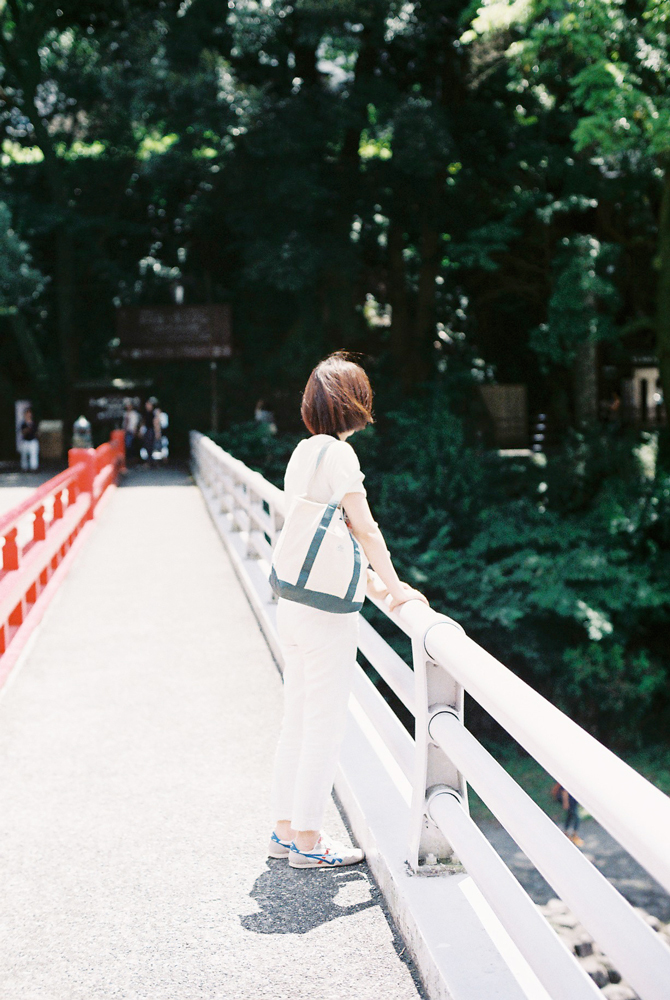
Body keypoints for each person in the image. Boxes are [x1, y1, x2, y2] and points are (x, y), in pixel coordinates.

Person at [268, 352, 427, 869]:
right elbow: (364, 528)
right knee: (326, 723)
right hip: (325, 611)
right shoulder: (339, 456)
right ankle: (310, 843)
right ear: (353, 404)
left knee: (296, 718)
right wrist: (396, 586)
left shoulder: (299, 452)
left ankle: (284, 830)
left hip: (290, 600)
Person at [552, 783, 583, 847]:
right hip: (570, 801)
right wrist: (565, 803)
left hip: (573, 801)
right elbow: (564, 791)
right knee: (577, 817)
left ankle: (566, 833)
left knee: (570, 816)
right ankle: (574, 835)